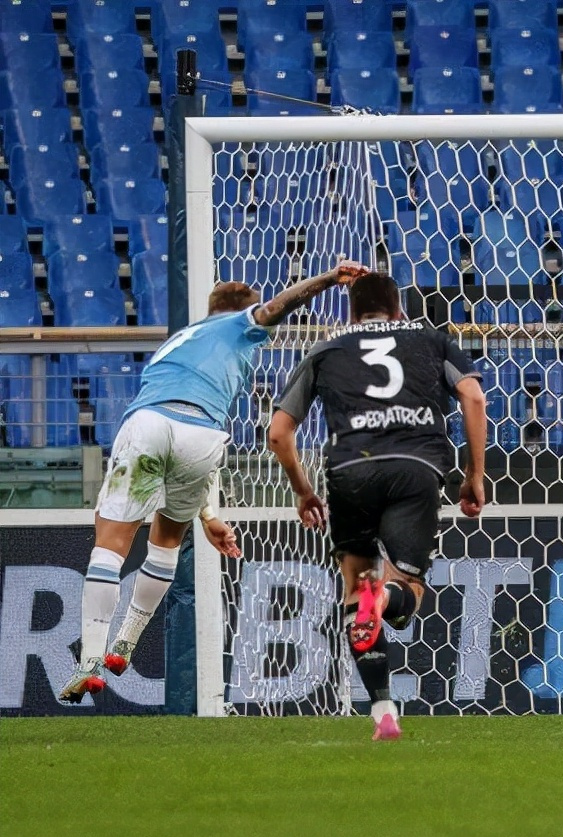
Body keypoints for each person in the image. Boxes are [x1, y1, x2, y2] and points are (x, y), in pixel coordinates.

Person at [59, 262, 368, 704]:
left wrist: (210, 514)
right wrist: (327, 279)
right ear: (237, 308)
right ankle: (125, 642)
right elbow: (278, 306)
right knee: (165, 543)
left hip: (150, 422)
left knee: (109, 545)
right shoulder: (237, 326)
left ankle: (91, 659)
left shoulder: (181, 340)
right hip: (203, 434)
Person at [268, 273, 487, 741]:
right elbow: (473, 395)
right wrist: (473, 474)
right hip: (415, 469)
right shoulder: (432, 338)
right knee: (406, 594)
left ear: (351, 314)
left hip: (349, 472)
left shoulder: (326, 348)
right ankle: (385, 598)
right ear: (398, 311)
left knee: (354, 584)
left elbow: (278, 434)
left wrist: (304, 491)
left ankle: (383, 711)